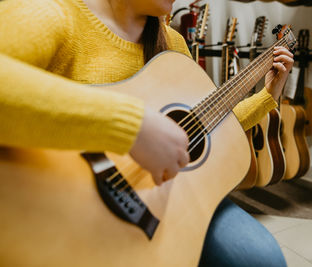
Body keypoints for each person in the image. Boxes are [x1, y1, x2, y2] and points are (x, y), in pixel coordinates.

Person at [0, 0, 293, 266]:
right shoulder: (53, 12)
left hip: (170, 196)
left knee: (260, 258)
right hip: (67, 209)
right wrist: (131, 126)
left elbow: (204, 128)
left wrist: (267, 96)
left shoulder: (174, 44)